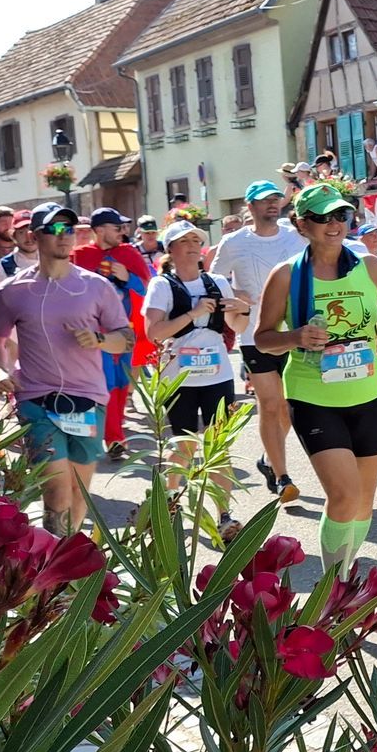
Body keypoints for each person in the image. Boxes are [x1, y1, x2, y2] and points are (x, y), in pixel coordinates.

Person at [252, 183, 377, 577]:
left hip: (368, 393)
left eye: (341, 215)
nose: (334, 224)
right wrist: (295, 337)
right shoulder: (286, 276)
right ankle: (333, 589)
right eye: (321, 217)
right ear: (301, 224)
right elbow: (263, 340)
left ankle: (346, 576)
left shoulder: (371, 266)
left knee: (364, 502)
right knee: (343, 496)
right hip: (314, 396)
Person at [0, 205, 132, 534]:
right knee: (56, 491)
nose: (64, 236)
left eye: (69, 229)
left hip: (88, 401)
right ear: (34, 236)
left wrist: (99, 339)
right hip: (36, 399)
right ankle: (50, 567)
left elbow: (126, 339)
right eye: (54, 230)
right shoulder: (14, 290)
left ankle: (64, 560)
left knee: (80, 494)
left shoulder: (96, 287)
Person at [210, 179, 309, 503]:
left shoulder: (296, 236)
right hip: (255, 335)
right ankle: (282, 478)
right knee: (269, 404)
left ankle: (269, 459)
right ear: (249, 206)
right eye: (263, 200)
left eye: (275, 199)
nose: (271, 204)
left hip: (294, 332)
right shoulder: (234, 242)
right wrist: (234, 295)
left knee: (288, 409)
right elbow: (215, 280)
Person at [141, 220, 246, 525]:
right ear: (170, 250)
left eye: (195, 240)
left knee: (219, 447)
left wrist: (242, 310)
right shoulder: (162, 285)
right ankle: (170, 505)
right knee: (182, 445)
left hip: (217, 375)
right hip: (179, 378)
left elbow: (237, 327)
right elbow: (154, 333)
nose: (190, 245)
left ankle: (224, 515)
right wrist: (193, 313)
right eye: (182, 240)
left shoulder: (217, 282)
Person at [71, 206, 155, 461]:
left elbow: (147, 289)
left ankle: (115, 434)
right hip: (96, 333)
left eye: (122, 227)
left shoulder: (129, 253)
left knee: (121, 382)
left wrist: (127, 276)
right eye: (116, 227)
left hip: (125, 331)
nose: (121, 232)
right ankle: (113, 437)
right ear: (99, 230)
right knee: (105, 383)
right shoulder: (80, 256)